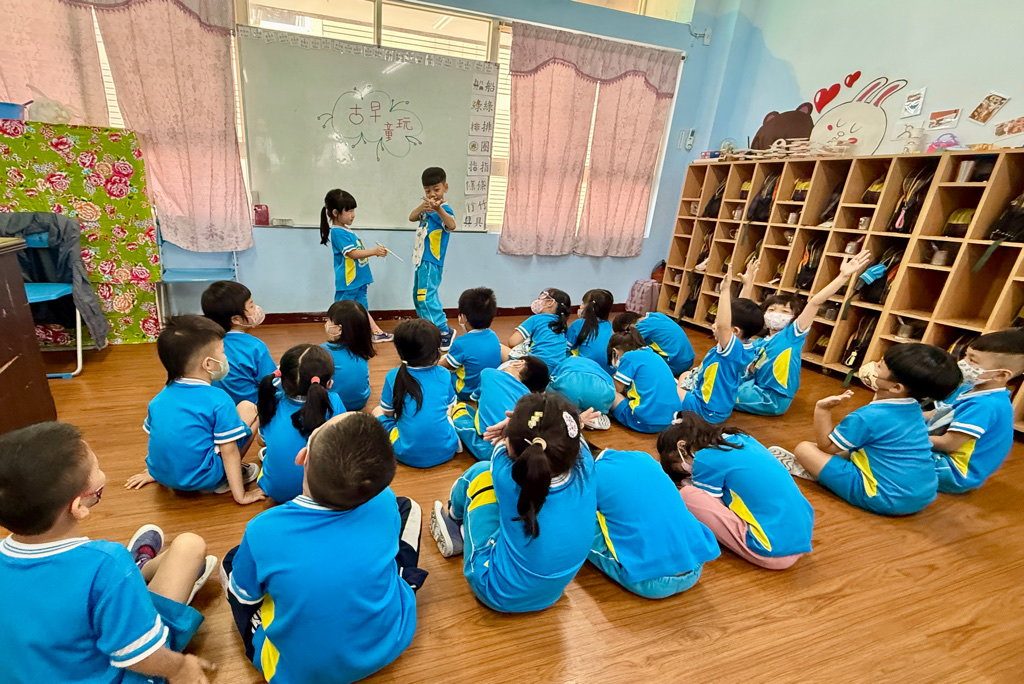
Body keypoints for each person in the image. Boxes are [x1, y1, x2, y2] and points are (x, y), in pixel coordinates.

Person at [0, 422, 217, 683]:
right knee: (189, 545)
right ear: (79, 506)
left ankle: (136, 569)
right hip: (127, 666)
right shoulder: (106, 562)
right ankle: (135, 570)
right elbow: (141, 656)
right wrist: (181, 668)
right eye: (97, 468)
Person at [223, 412, 425, 684]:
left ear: (302, 457)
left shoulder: (263, 529)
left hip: (297, 675)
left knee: (233, 562)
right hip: (391, 641)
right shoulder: (385, 499)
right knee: (405, 510)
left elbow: (245, 597)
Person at [430, 393, 597, 613]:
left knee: (479, 475)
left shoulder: (505, 476)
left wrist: (512, 429)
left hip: (495, 591)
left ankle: (453, 521)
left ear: (511, 445)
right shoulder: (587, 465)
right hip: (551, 595)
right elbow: (570, 437)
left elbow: (502, 451)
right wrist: (519, 429)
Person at [774, 343, 961, 516]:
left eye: (879, 365)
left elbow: (826, 446)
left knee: (805, 449)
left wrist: (822, 410)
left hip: (886, 497)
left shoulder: (869, 416)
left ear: (896, 387)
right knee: (853, 448)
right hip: (924, 494)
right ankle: (827, 471)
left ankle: (819, 473)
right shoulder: (914, 408)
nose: (873, 365)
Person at [126, 315, 265, 506]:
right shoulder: (219, 399)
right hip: (204, 479)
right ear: (208, 364)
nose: (226, 358)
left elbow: (159, 439)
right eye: (223, 352)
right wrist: (241, 496)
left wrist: (155, 473)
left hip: (163, 475)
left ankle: (164, 473)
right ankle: (225, 480)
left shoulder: (158, 399)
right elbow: (229, 451)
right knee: (250, 409)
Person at [658, 413, 814, 570]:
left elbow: (708, 503)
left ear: (682, 448)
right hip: (802, 537)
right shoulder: (740, 438)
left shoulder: (705, 458)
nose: (688, 471)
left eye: (681, 468)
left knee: (688, 495)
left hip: (772, 550)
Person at [736, 251, 872, 416]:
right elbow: (741, 319)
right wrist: (747, 285)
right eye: (771, 310)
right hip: (754, 388)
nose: (777, 314)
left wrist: (843, 276)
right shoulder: (760, 342)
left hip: (771, 398)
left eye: (785, 311)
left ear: (794, 317)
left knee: (718, 391)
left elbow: (815, 302)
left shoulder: (791, 336)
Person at [587, 445, 720, 598]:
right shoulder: (642, 456)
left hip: (651, 582)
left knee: (576, 517)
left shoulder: (588, 476)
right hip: (694, 565)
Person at [930, 329, 1024, 493]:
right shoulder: (968, 387)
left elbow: (949, 443)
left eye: (972, 360)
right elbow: (936, 414)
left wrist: (906, 436)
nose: (963, 363)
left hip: (954, 472)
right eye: (966, 356)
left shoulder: (986, 405)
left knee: (887, 452)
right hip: (942, 455)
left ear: (1001, 375)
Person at [256, 344, 345, 503]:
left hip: (276, 492)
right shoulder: (334, 402)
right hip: (320, 494)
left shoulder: (270, 401)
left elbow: (261, 440)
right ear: (328, 383)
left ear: (282, 380)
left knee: (265, 447)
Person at [677, 265, 763, 424]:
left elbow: (724, 326)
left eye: (716, 323)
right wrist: (747, 285)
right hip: (718, 408)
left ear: (734, 331)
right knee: (684, 375)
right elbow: (741, 314)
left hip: (706, 410)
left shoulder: (732, 351)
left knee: (665, 386)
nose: (714, 326)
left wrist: (725, 290)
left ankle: (683, 413)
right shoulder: (745, 346)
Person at [372, 319, 459, 468]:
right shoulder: (444, 373)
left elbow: (387, 412)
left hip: (405, 453)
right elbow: (450, 407)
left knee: (377, 411)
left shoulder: (393, 375)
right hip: (448, 448)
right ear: (436, 350)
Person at [320, 188, 393, 343]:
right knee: (342, 309)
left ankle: (375, 332)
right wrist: (374, 252)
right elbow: (352, 254)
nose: (353, 215)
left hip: (358, 279)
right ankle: (335, 333)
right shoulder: (338, 232)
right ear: (335, 213)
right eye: (349, 211)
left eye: (353, 210)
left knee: (361, 308)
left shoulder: (346, 230)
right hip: (349, 280)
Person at [451, 357, 549, 461]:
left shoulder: (488, 373)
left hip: (489, 449)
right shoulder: (531, 400)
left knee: (460, 408)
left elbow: (474, 397)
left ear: (518, 363)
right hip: (519, 452)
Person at [201, 280, 276, 405]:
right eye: (251, 306)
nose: (256, 309)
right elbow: (271, 382)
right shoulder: (255, 347)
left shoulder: (204, 342)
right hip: (253, 406)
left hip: (218, 406)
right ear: (236, 319)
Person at [408, 167, 457, 351]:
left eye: (436, 189)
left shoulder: (444, 209)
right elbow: (411, 217)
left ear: (445, 187)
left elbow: (451, 225)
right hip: (421, 260)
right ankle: (427, 328)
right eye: (427, 191)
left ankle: (443, 330)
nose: (432, 194)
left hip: (432, 260)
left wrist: (438, 208)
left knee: (426, 295)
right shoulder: (426, 209)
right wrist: (423, 206)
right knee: (417, 295)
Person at [608, 328, 681, 433]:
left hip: (645, 422)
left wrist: (613, 376)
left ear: (615, 352)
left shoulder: (628, 357)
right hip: (670, 420)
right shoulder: (654, 355)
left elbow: (617, 388)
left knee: (610, 393)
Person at [440, 287, 502, 401]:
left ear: (463, 317)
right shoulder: (493, 336)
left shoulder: (461, 343)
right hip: (487, 388)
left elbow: (446, 366)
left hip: (466, 391)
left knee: (440, 374)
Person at [322, 299, 375, 411]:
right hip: (361, 401)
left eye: (329, 320)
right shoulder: (362, 349)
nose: (326, 323)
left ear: (339, 329)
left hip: (336, 404)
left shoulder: (324, 350)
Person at [505, 288, 571, 371]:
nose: (537, 301)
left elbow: (512, 342)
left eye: (541, 298)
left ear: (550, 302)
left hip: (535, 367)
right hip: (556, 369)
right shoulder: (562, 324)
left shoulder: (536, 319)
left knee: (500, 348)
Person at [613, 311, 695, 377]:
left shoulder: (642, 326)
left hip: (676, 365)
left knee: (638, 357)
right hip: (688, 359)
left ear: (627, 327)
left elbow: (628, 346)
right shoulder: (656, 315)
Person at [548, 355, 616, 430]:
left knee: (552, 400)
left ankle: (573, 415)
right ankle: (592, 414)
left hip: (569, 383)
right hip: (605, 391)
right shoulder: (596, 365)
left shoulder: (567, 361)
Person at [567, 289, 615, 375]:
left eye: (583, 303)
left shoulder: (578, 324)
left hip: (585, 371)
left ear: (588, 307)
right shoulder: (612, 327)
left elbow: (565, 350)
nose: (580, 306)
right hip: (608, 373)